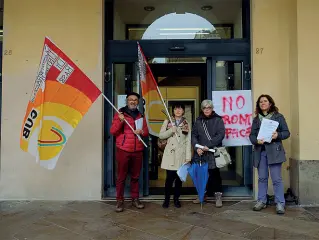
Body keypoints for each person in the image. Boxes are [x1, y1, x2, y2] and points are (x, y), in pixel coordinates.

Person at [249, 94, 290, 214]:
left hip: (274, 152)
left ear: (270, 103)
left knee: (276, 179)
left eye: (265, 101)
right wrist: (256, 140)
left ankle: (280, 203)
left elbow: (287, 132)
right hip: (260, 152)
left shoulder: (278, 117)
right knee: (262, 178)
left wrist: (278, 135)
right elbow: (251, 135)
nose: (262, 103)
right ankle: (261, 201)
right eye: (260, 102)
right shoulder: (256, 119)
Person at [110, 92, 149, 213]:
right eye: (130, 99)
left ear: (138, 102)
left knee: (135, 176)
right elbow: (113, 131)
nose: (133, 101)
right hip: (124, 150)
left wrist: (141, 131)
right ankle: (119, 200)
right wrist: (120, 121)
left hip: (137, 150)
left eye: (135, 100)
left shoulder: (141, 115)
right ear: (127, 101)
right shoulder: (120, 114)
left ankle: (135, 199)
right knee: (121, 177)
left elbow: (146, 132)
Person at [191, 100, 225, 208]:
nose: (206, 109)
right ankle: (202, 195)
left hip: (212, 151)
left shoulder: (218, 120)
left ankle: (218, 196)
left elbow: (220, 135)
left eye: (209, 107)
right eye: (204, 108)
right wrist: (197, 147)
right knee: (201, 175)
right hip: (201, 152)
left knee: (215, 175)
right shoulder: (198, 121)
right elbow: (194, 135)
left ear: (212, 109)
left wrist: (208, 146)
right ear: (202, 109)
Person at [159, 103, 192, 209]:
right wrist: (170, 131)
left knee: (179, 180)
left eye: (180, 108)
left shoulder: (186, 123)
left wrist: (188, 156)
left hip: (181, 155)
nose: (178, 110)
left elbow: (188, 141)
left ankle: (176, 199)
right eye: (176, 109)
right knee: (169, 179)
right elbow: (161, 135)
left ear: (183, 111)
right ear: (173, 111)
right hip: (171, 154)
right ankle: (166, 200)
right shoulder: (167, 121)